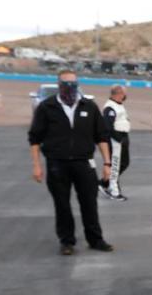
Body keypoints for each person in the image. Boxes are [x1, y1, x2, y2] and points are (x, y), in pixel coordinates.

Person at [29, 70, 114, 254]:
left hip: (84, 163)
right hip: (57, 165)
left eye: (73, 83)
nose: (70, 87)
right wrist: (36, 165)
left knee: (89, 203)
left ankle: (96, 239)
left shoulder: (89, 106)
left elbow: (101, 137)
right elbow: (34, 138)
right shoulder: (47, 107)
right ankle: (67, 241)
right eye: (66, 83)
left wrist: (107, 164)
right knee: (62, 204)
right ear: (59, 85)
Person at [99, 85, 130, 201]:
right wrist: (117, 139)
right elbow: (107, 126)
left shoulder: (118, 105)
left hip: (123, 137)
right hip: (116, 140)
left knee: (125, 163)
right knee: (115, 165)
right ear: (119, 93)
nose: (125, 96)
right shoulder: (110, 107)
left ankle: (104, 182)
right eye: (124, 93)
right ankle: (114, 191)